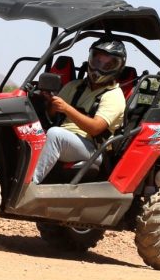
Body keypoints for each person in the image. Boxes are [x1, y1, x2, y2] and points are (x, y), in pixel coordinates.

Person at [32, 39, 127, 184]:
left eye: (108, 64)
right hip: (66, 139)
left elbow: (95, 128)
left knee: (55, 134)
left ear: (117, 67)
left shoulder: (114, 95)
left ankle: (30, 185)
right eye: (96, 61)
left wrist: (66, 108)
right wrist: (50, 102)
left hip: (92, 148)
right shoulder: (74, 86)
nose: (99, 68)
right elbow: (51, 116)